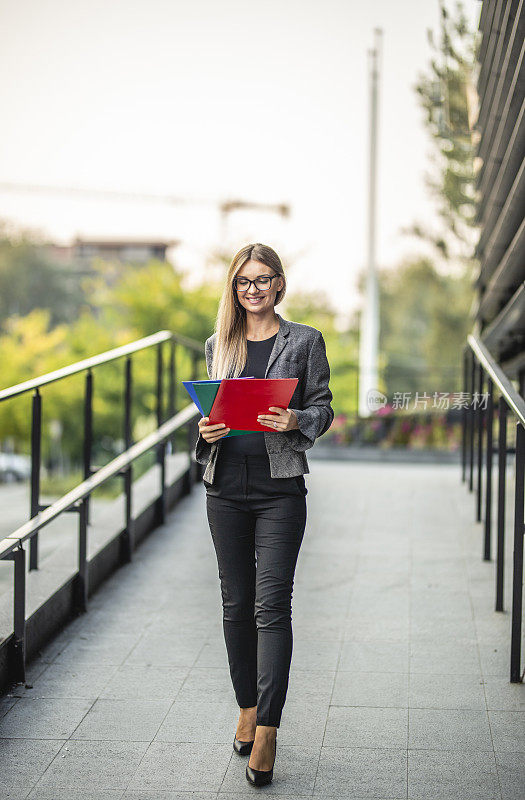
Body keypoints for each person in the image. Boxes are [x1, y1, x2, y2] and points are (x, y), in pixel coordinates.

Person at [195, 242, 333, 787]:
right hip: (223, 486)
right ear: (235, 287)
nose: (252, 290)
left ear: (278, 283)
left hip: (280, 490)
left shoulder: (304, 341)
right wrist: (203, 432)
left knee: (271, 606)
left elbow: (324, 409)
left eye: (262, 280)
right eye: (243, 282)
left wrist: (294, 417)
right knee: (236, 604)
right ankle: (247, 707)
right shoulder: (219, 344)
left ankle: (269, 728)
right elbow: (210, 413)